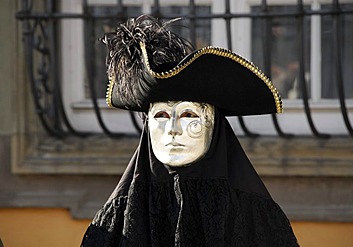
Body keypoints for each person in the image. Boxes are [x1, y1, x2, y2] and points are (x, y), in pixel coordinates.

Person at [81, 15, 299, 246]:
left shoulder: (255, 218)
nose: (173, 130)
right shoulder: (116, 223)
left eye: (188, 115)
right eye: (161, 116)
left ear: (215, 129)